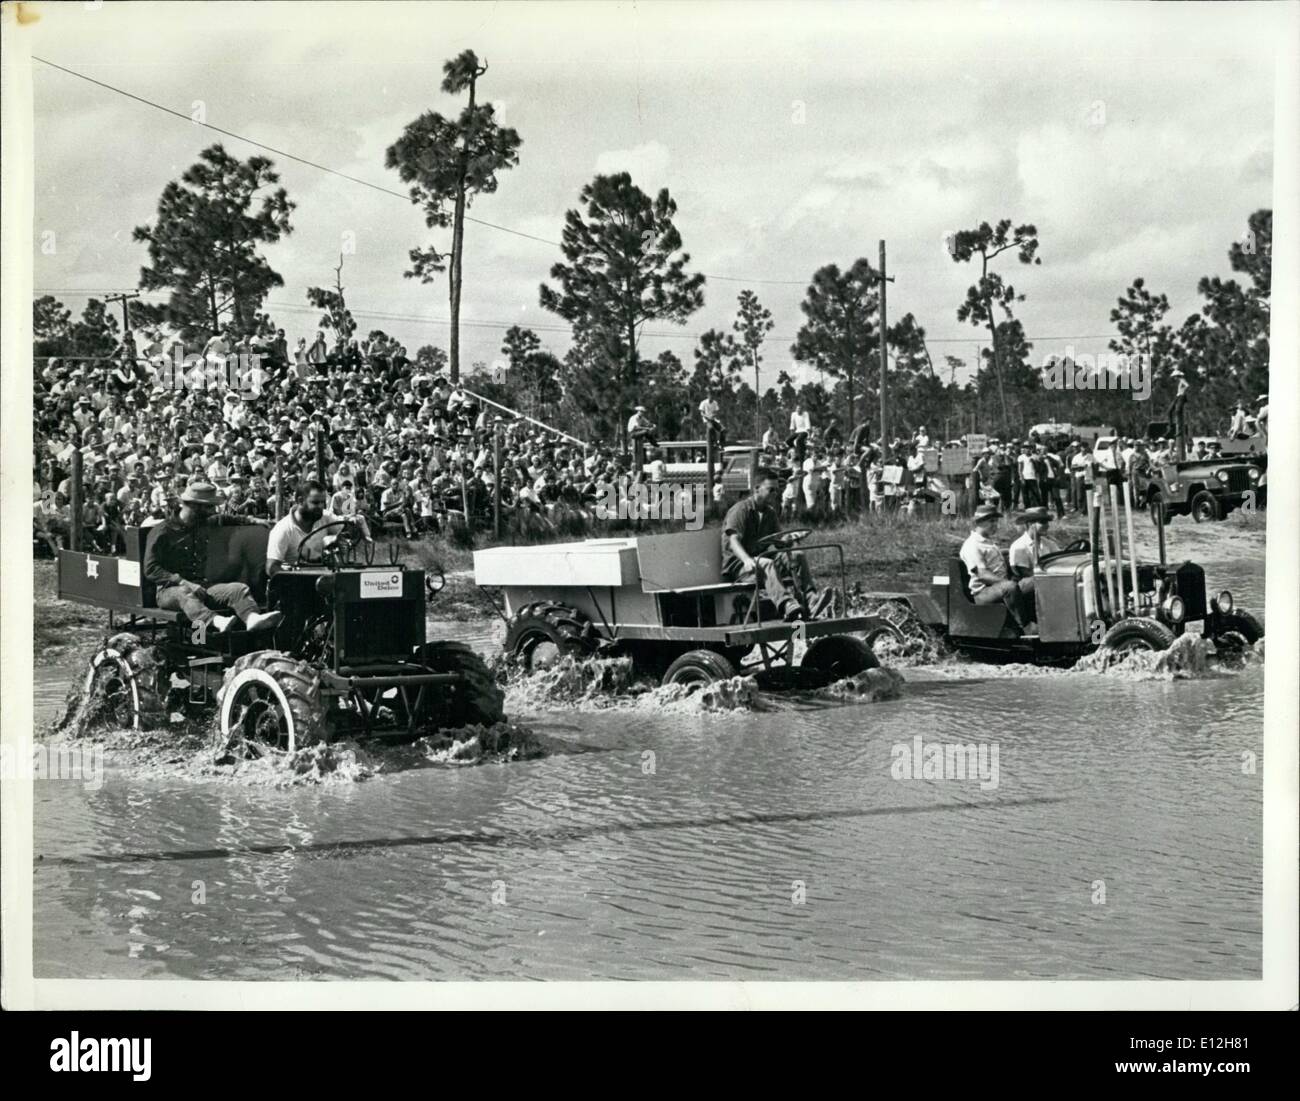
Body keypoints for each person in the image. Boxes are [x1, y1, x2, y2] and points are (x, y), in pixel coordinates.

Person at [143, 482, 281, 635]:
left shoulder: (202, 523)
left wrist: (253, 520)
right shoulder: (162, 532)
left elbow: (226, 518)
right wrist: (183, 581)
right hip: (169, 591)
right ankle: (215, 622)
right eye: (209, 507)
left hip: (201, 586)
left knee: (237, 589)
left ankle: (252, 619)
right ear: (195, 506)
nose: (213, 511)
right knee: (185, 594)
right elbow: (151, 569)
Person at [721, 469, 834, 621]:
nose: (775, 493)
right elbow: (733, 541)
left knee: (796, 555)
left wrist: (791, 538)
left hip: (760, 561)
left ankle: (811, 599)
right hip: (740, 566)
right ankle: (786, 605)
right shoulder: (741, 510)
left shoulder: (770, 513)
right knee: (766, 563)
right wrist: (747, 560)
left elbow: (779, 542)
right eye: (771, 490)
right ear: (756, 489)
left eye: (777, 490)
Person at [266, 480, 371, 576]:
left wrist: (353, 525)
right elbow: (271, 567)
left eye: (323, 502)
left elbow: (345, 530)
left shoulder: (325, 517)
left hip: (325, 579)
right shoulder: (283, 529)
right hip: (297, 583)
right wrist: (296, 579)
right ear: (300, 501)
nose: (321, 507)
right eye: (315, 503)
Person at [958, 503, 1035, 633]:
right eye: (991, 521)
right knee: (1009, 587)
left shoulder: (988, 542)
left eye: (996, 521)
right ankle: (1024, 626)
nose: (995, 525)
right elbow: (982, 575)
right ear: (979, 522)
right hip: (983, 593)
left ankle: (1040, 618)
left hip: (998, 588)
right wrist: (1006, 582)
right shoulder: (972, 545)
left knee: (1036, 581)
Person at [1008, 507, 1061, 579]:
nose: (1047, 526)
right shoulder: (1019, 546)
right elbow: (1024, 573)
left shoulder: (1049, 543)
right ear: (1030, 524)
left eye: (1047, 522)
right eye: (1043, 522)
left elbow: (1060, 560)